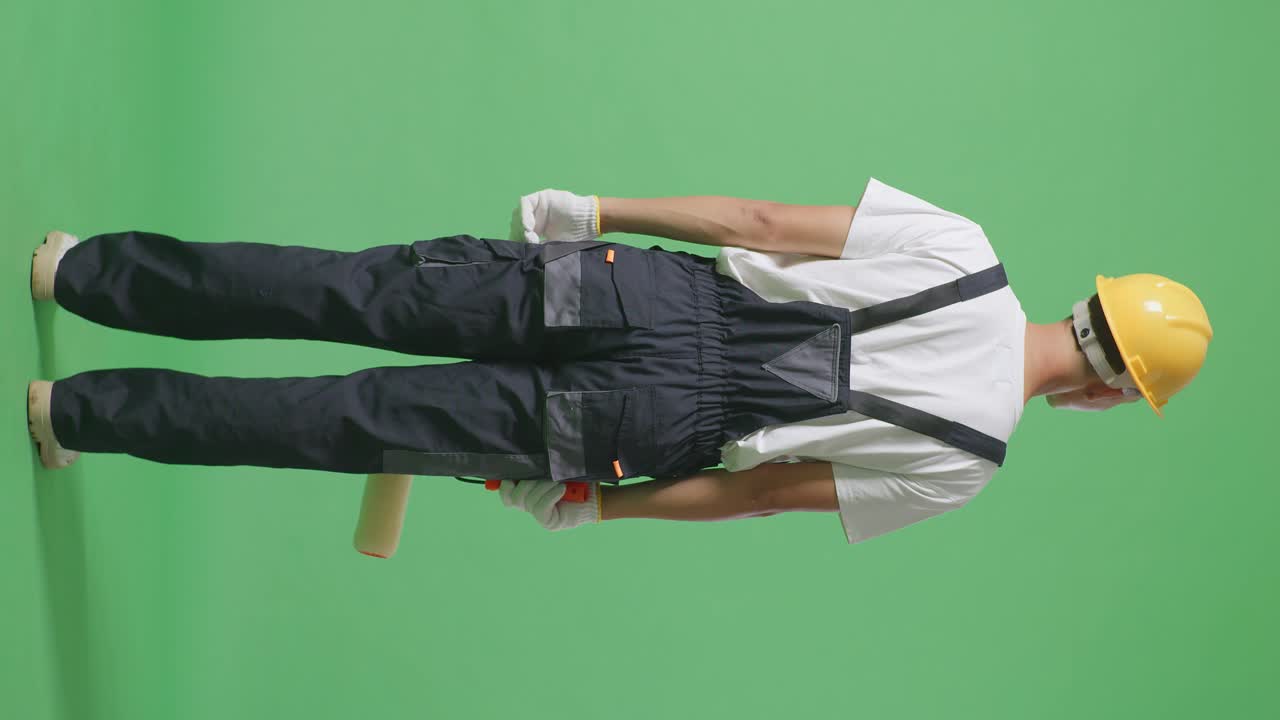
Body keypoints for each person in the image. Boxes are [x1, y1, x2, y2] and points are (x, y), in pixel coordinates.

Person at [25, 178, 1213, 544]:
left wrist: (595, 210)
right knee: (350, 423)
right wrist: (597, 505)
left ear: (1089, 303)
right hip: (629, 421)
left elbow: (753, 225)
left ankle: (75, 273)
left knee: (352, 289)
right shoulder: (966, 465)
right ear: (1111, 392)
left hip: (629, 289)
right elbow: (755, 492)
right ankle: (71, 412)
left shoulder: (964, 248)